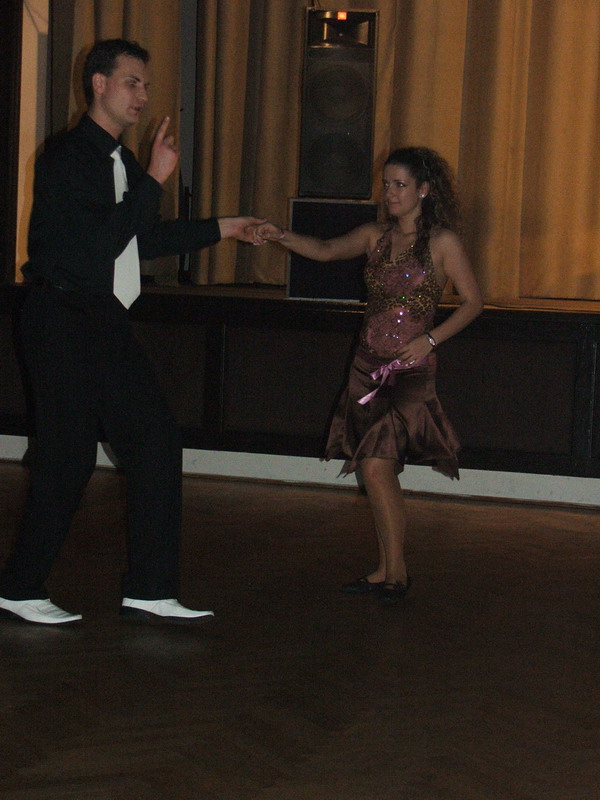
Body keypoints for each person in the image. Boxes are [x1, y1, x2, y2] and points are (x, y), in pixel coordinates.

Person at [0, 38, 265, 625]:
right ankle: (19, 587)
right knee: (68, 459)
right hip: (60, 315)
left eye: (146, 85)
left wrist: (224, 227)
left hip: (99, 318)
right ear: (99, 84)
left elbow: (139, 238)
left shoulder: (120, 163)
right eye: (132, 82)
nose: (143, 95)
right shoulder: (67, 157)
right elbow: (98, 243)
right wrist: (156, 179)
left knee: (154, 444)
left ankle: (149, 588)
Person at [254, 147, 483, 605]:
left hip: (409, 369)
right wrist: (279, 234)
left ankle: (397, 573)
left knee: (376, 467)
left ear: (424, 189)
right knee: (376, 470)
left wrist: (430, 340)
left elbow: (474, 302)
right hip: (366, 365)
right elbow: (323, 251)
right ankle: (386, 570)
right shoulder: (374, 235)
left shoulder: (443, 242)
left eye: (400, 185)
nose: (390, 193)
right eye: (387, 184)